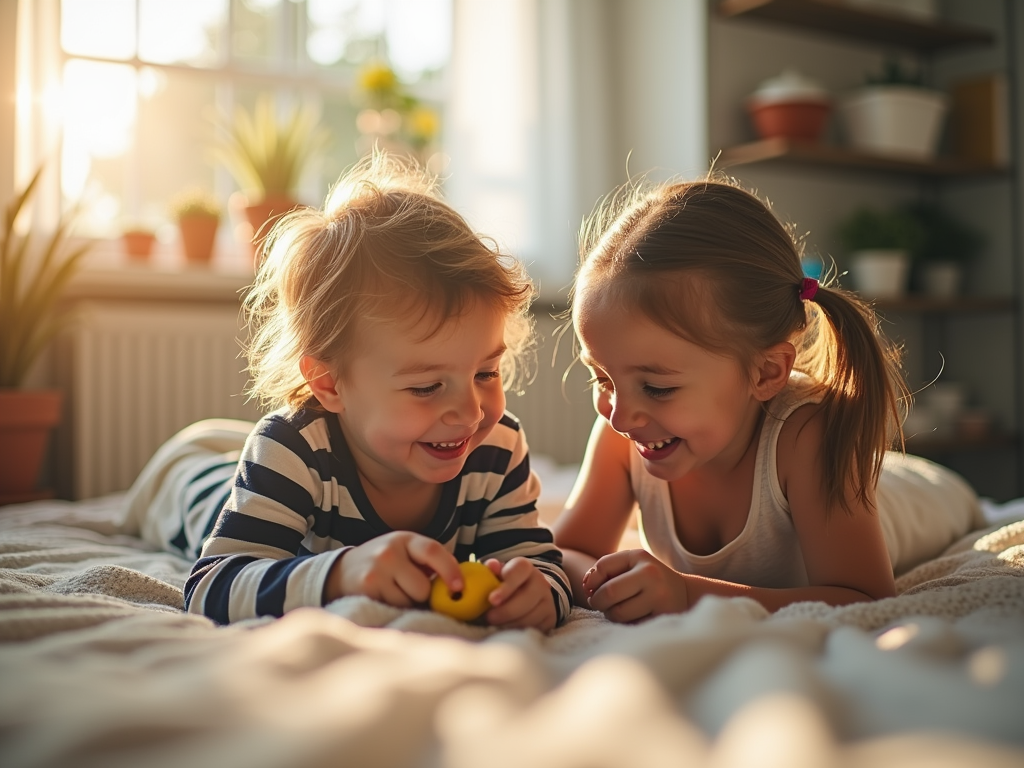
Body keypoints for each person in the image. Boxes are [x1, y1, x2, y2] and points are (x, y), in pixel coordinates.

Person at [129, 151, 570, 630]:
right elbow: (212, 586)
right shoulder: (291, 447)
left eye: (486, 373)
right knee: (204, 480)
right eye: (426, 387)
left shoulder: (497, 448)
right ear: (328, 383)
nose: (469, 412)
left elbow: (541, 561)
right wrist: (342, 572)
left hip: (272, 458)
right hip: (192, 474)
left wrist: (540, 592)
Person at [552, 176, 983, 623]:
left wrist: (686, 593)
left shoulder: (805, 435)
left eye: (658, 388)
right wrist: (601, 580)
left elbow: (866, 599)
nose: (620, 414)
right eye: (600, 378)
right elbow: (566, 551)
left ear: (766, 373)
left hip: (926, 494)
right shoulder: (624, 434)